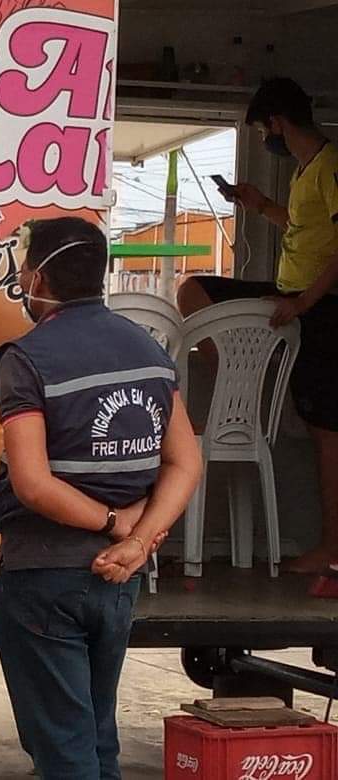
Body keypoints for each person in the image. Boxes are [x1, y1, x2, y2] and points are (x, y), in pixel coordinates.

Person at [0, 217, 202, 780]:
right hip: (117, 582)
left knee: (65, 753)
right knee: (98, 741)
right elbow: (185, 462)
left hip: (43, 579)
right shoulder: (149, 350)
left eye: (24, 270)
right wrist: (139, 541)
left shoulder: (27, 358)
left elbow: (32, 483)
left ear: (37, 278)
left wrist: (114, 525)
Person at [178, 77, 338, 574]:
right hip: (292, 295)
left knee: (326, 431)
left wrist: (304, 302)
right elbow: (306, 230)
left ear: (276, 123)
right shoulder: (305, 171)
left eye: (264, 132)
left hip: (321, 306)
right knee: (193, 290)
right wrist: (261, 205)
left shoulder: (330, 165)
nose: (266, 140)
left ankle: (331, 548)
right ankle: (239, 382)